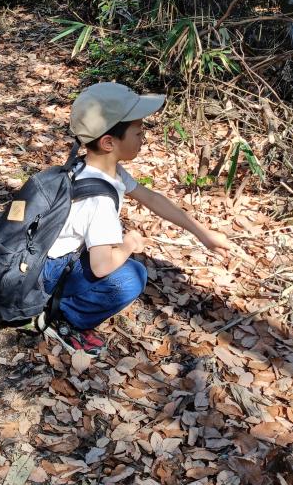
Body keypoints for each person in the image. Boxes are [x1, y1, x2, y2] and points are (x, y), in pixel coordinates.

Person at [43, 81, 231, 353]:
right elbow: (101, 267)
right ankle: (63, 317)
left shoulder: (95, 168)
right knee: (131, 277)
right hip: (52, 269)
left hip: (51, 257)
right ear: (109, 142)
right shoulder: (100, 200)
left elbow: (152, 198)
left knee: (125, 267)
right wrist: (128, 244)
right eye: (139, 132)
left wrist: (203, 234)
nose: (144, 138)